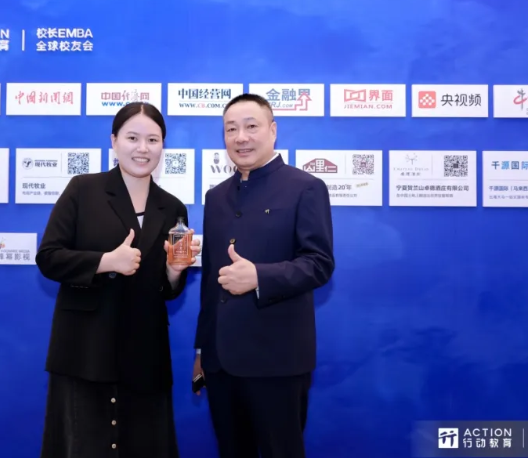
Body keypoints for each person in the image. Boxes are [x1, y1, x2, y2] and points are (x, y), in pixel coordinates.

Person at [36, 101, 201, 458]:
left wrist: (175, 272)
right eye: (132, 138)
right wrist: (106, 261)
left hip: (145, 352)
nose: (143, 148)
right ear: (114, 141)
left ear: (163, 145)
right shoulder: (83, 190)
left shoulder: (173, 207)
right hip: (85, 349)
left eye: (153, 140)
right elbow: (48, 257)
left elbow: (167, 290)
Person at [193, 93, 335, 458]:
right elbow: (210, 282)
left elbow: (319, 263)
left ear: (273, 130)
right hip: (221, 362)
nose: (241, 137)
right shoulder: (215, 197)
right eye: (231, 129)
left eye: (251, 126)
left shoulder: (305, 187)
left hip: (277, 361)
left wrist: (260, 277)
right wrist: (202, 349)